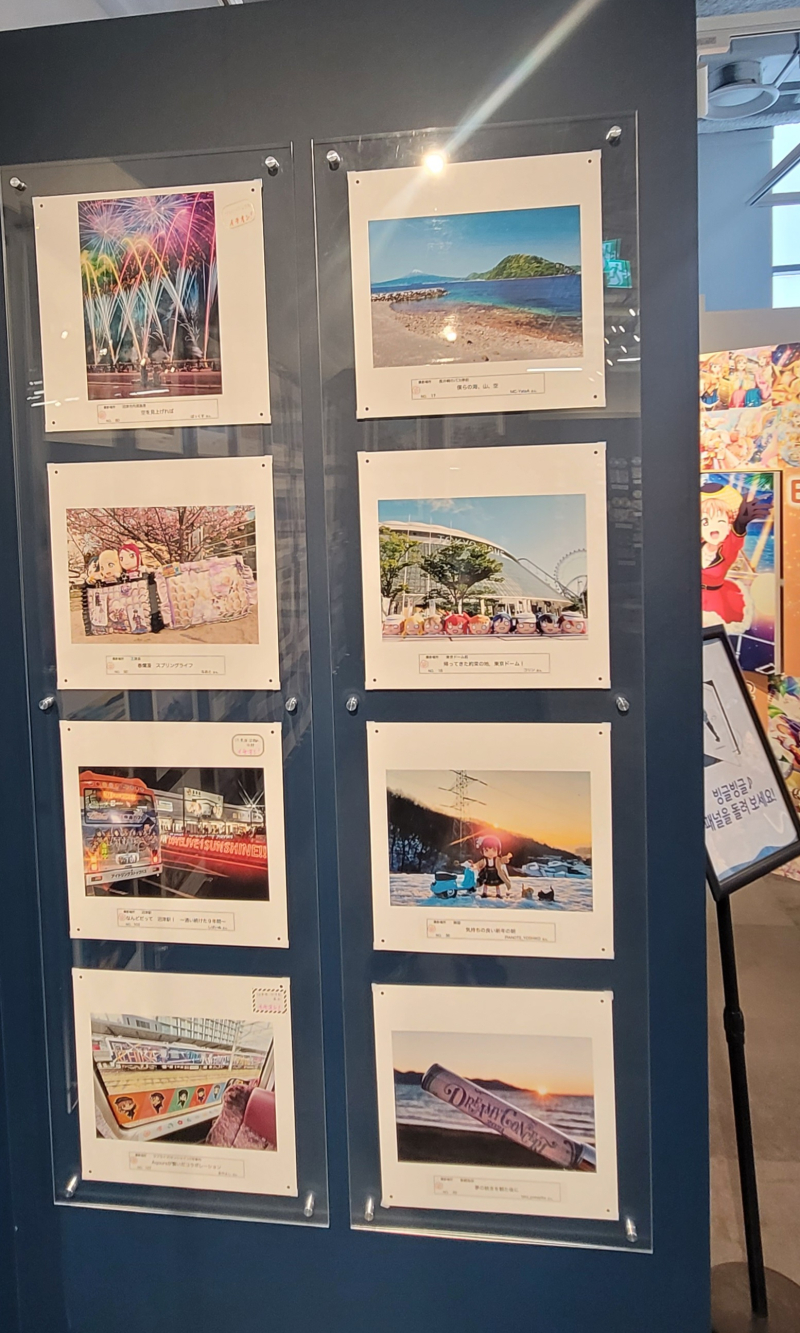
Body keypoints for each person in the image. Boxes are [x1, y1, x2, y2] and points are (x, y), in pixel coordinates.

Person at [700, 482, 769, 629]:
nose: (713, 527)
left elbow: (735, 539)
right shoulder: (695, 545)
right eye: (705, 522)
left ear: (728, 525)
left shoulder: (727, 549)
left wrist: (740, 524)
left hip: (715, 602)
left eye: (720, 521)